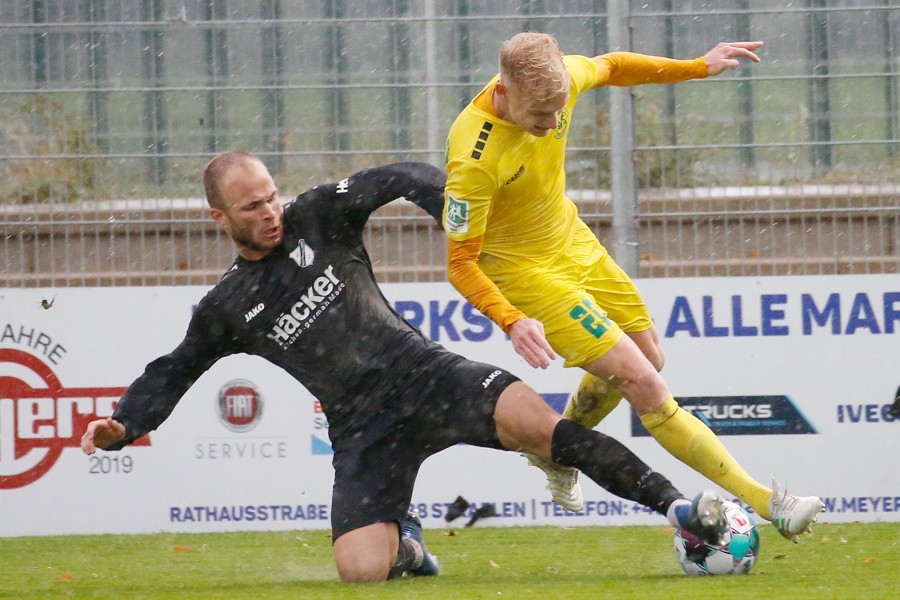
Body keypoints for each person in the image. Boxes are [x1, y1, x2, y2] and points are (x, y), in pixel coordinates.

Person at [83, 151, 731, 583]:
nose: (271, 212)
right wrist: (124, 422)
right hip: (363, 430)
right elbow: (173, 370)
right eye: (252, 207)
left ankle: (681, 511)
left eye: (272, 196)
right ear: (219, 217)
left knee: (544, 429)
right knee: (360, 571)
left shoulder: (319, 215)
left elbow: (395, 176)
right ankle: (410, 547)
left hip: (429, 376)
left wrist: (453, 211)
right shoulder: (227, 306)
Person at [442, 32, 825, 543]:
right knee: (646, 383)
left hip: (573, 243)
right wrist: (511, 319)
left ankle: (554, 450)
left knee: (650, 357)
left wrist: (696, 65)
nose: (553, 124)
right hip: (523, 273)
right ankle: (767, 502)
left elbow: (615, 64)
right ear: (505, 92)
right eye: (541, 116)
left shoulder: (559, 81)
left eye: (560, 112)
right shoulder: (473, 154)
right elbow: (461, 264)